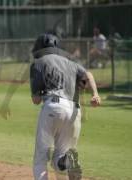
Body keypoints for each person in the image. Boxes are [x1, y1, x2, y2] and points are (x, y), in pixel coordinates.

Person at [30, 33, 101, 180]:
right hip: (75, 111)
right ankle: (68, 162)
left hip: (53, 107)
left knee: (40, 159)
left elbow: (36, 100)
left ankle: (66, 161)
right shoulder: (70, 62)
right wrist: (95, 94)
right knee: (60, 158)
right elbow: (88, 75)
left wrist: (41, 92)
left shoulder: (39, 62)